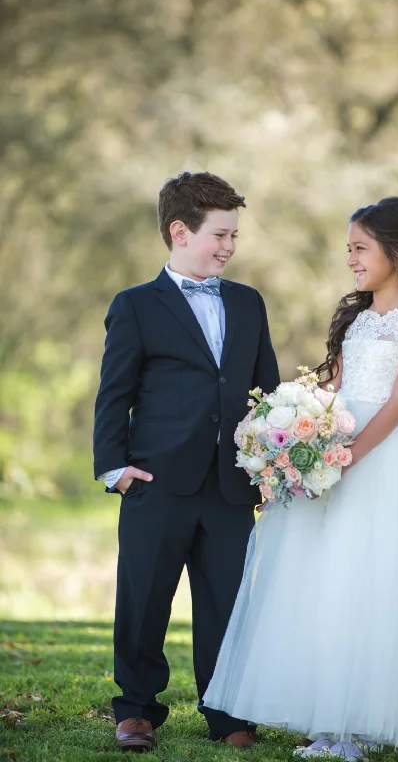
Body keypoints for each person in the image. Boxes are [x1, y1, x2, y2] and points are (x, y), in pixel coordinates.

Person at [203, 197, 398, 759]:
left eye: (361, 249)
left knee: (374, 581)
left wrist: (348, 457)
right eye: (349, 250)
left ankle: (358, 722)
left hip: (387, 455)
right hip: (337, 447)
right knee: (325, 579)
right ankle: (327, 714)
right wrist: (289, 435)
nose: (352, 260)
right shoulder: (356, 317)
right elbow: (328, 384)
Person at [93, 171, 279, 751]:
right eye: (219, 235)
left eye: (234, 237)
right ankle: (137, 709)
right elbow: (114, 393)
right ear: (180, 231)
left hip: (230, 485)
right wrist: (114, 467)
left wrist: (271, 464)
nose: (228, 246)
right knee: (145, 596)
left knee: (227, 601)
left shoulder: (248, 303)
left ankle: (227, 714)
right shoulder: (136, 306)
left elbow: (264, 391)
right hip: (156, 480)